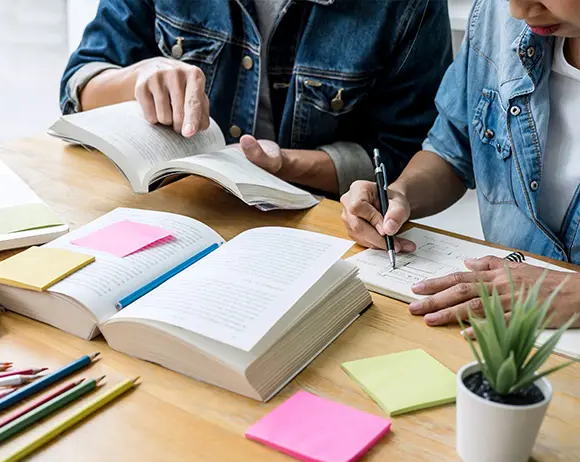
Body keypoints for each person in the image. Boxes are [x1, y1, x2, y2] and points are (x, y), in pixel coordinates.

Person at [340, 0, 580, 328]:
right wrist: (400, 194)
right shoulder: (494, 16)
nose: (517, 11)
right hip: (498, 323)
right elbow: (453, 149)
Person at [60, 1, 452, 195]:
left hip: (310, 224)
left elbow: (405, 155)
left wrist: (286, 165)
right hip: (169, 202)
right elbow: (81, 82)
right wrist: (139, 76)